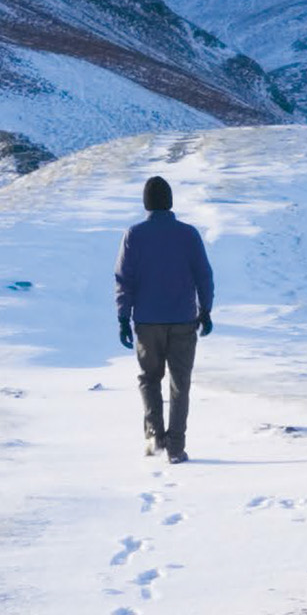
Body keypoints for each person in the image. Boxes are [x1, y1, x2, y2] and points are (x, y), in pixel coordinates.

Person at [114, 175, 214, 463]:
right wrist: (205, 310)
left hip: (146, 322)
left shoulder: (134, 235)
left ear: (146, 203)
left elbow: (124, 279)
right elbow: (203, 275)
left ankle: (155, 435)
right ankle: (176, 448)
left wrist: (123, 317)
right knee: (180, 384)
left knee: (149, 378)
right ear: (170, 202)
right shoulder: (189, 234)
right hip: (184, 320)